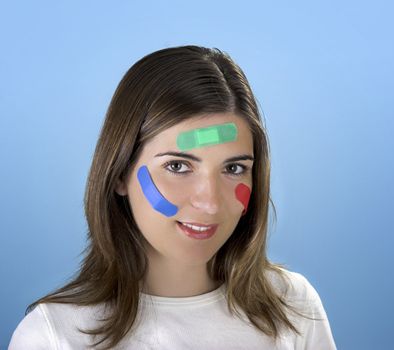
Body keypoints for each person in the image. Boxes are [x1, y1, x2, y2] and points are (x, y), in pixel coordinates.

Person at [8, 45, 337, 349]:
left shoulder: (292, 307)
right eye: (178, 166)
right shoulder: (54, 335)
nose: (209, 203)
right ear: (121, 172)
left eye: (234, 168)